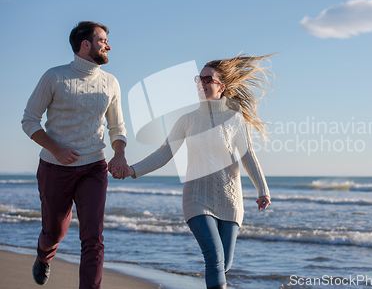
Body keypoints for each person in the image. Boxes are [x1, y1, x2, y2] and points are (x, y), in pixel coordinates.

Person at [110, 54, 274, 289]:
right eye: (199, 79)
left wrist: (263, 190)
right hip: (197, 198)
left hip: (230, 201)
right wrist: (130, 170)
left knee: (223, 263)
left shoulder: (235, 119)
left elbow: (248, 156)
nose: (202, 83)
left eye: (208, 79)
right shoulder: (187, 120)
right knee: (214, 259)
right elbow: (163, 154)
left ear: (221, 87)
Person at [21, 21, 128, 288]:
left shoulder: (110, 82)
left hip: (94, 167)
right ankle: (44, 255)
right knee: (54, 231)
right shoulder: (54, 77)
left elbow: (117, 127)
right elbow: (29, 120)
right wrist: (56, 148)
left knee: (93, 237)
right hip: (54, 168)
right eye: (103, 40)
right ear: (86, 44)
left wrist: (120, 153)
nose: (108, 45)